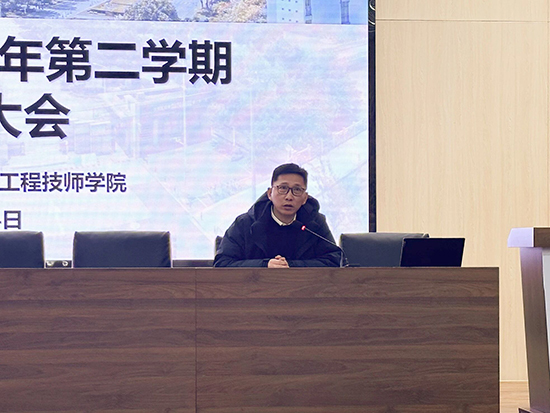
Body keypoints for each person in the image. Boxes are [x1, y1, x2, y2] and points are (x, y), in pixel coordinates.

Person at [214, 163, 341, 267]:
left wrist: (291, 266)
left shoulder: (315, 223)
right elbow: (222, 263)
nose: (289, 196)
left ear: (305, 198)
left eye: (297, 190)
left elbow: (334, 260)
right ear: (270, 193)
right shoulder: (245, 223)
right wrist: (265, 265)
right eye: (283, 188)